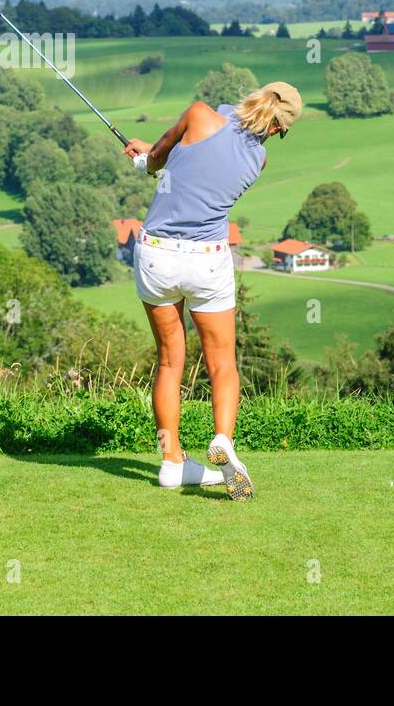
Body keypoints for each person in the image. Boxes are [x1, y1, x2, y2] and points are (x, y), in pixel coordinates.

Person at [122, 81, 303, 500]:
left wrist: (143, 160)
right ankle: (224, 439)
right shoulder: (258, 160)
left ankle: (171, 462)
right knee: (221, 362)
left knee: (170, 361)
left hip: (157, 254)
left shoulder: (199, 113)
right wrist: (154, 160)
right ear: (277, 128)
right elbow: (197, 170)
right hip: (206, 259)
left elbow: (160, 160)